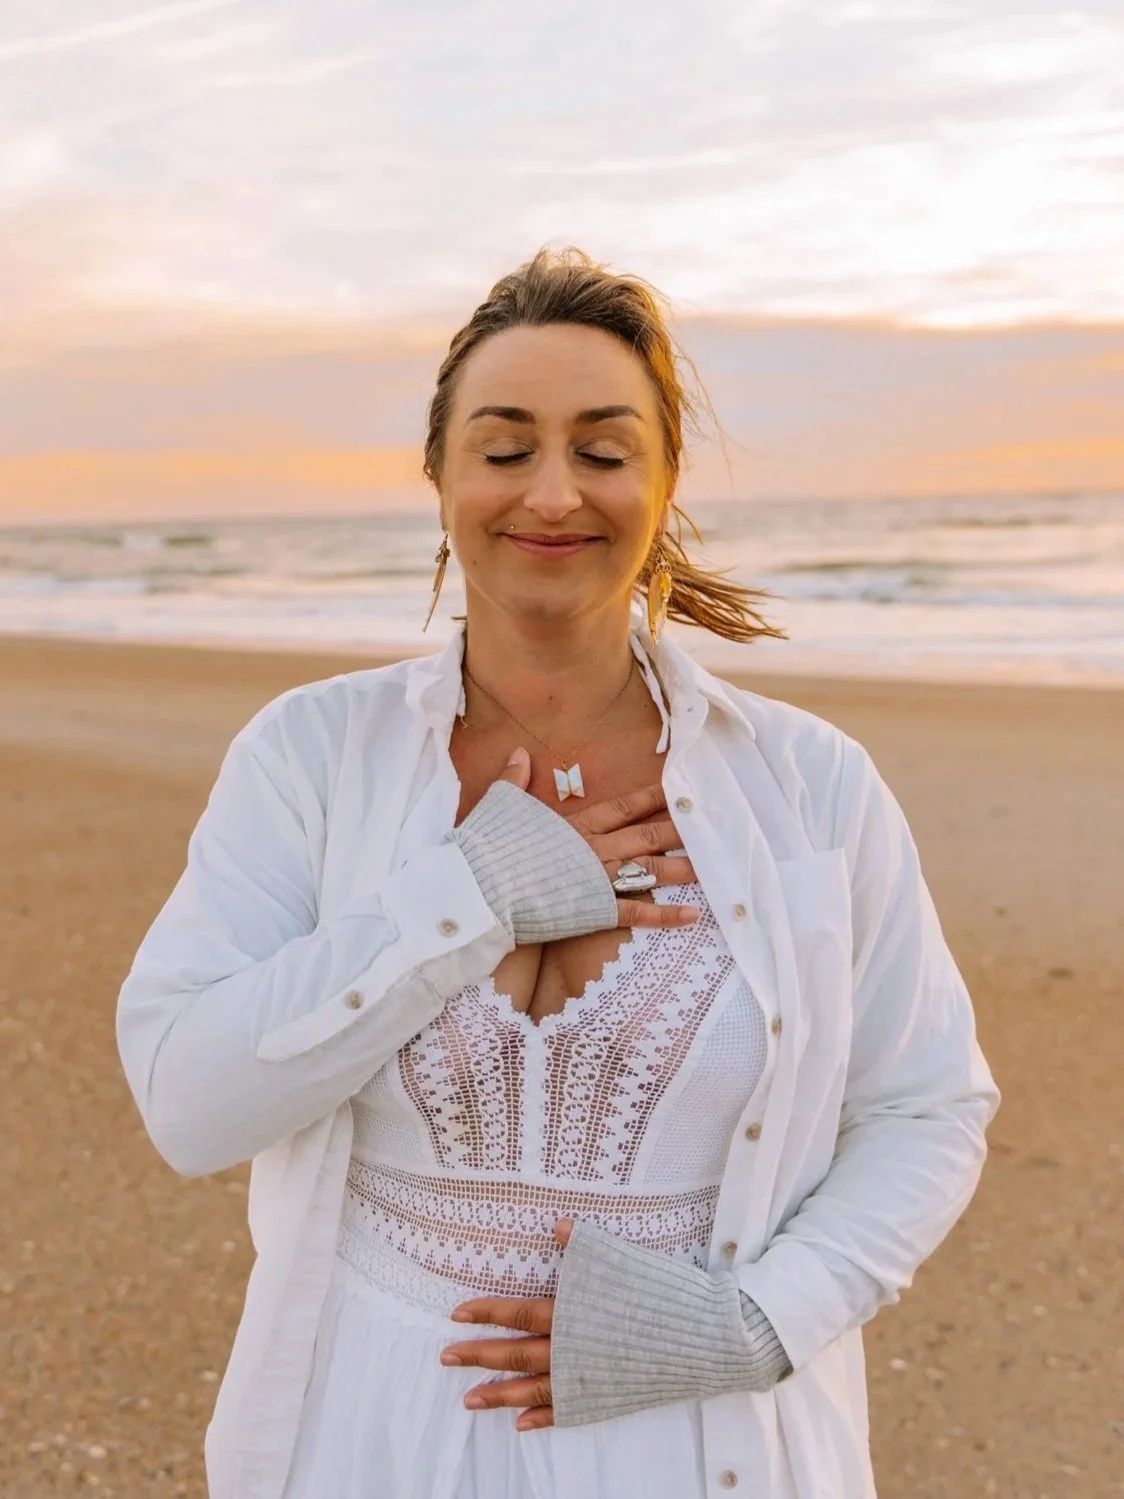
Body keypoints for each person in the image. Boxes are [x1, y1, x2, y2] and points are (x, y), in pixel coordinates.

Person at [116, 247, 999, 1499]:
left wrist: (758, 1319)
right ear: (438, 475)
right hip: (369, 1434)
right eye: (503, 444)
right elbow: (187, 1100)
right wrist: (462, 899)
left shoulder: (809, 783)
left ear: (662, 479)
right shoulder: (312, 755)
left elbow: (924, 1106)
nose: (550, 491)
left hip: (699, 1437)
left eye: (600, 447)